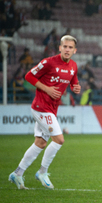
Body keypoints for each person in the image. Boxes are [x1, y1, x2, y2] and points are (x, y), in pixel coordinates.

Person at [8, 35, 81, 190]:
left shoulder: (74, 65)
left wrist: (76, 87)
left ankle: (17, 173)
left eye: (70, 47)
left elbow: (74, 80)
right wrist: (47, 88)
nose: (67, 50)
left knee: (40, 143)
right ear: (60, 48)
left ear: (75, 50)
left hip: (52, 109)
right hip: (41, 107)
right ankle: (42, 172)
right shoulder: (49, 62)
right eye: (64, 46)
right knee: (59, 140)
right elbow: (28, 76)